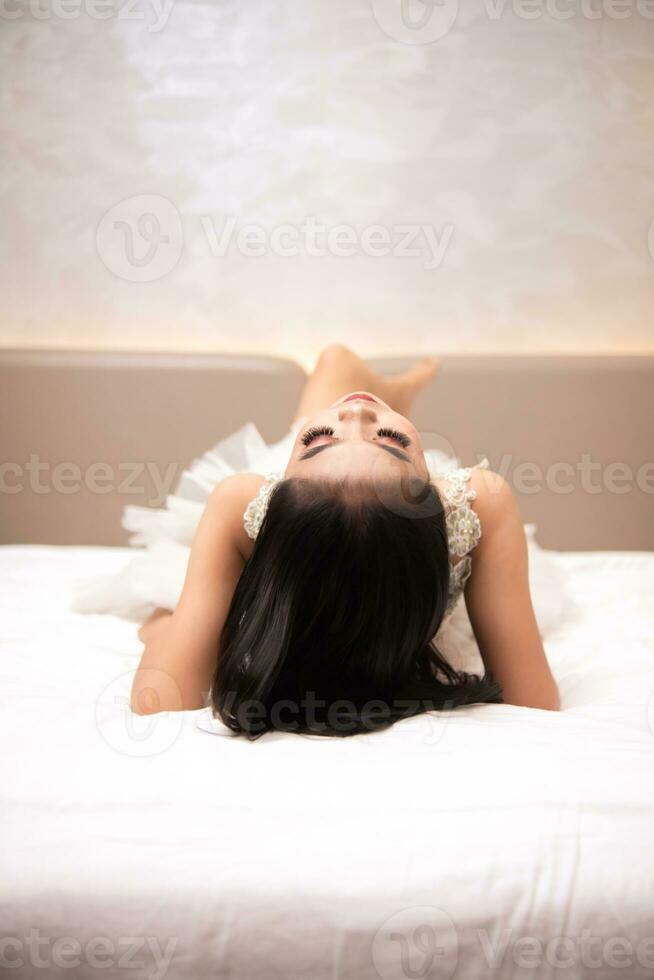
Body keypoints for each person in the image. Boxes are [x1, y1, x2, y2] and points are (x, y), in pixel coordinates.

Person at [80, 346, 559, 735]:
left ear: (275, 498)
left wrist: (173, 634)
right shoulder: (478, 499)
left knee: (334, 367)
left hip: (335, 525)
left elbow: (158, 701)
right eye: (394, 438)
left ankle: (374, 414)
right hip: (339, 518)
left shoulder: (241, 501)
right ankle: (395, 401)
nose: (356, 413)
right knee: (336, 368)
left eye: (390, 432)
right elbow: (535, 699)